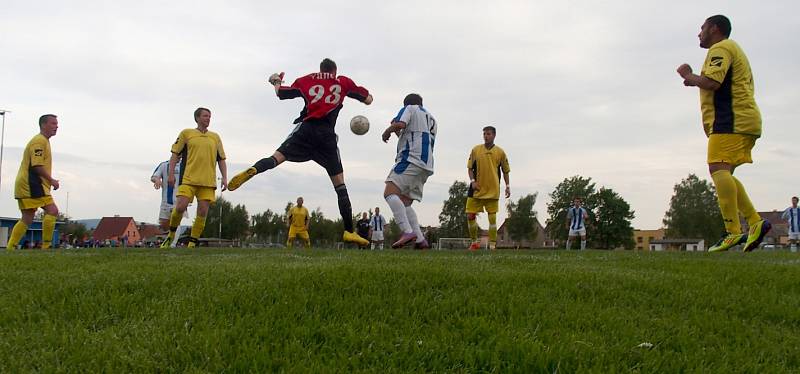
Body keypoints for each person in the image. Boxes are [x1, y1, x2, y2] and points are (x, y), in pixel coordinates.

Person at [227, 58, 373, 248]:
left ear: (320, 69)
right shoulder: (342, 82)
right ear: (334, 70)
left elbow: (281, 94)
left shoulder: (307, 80)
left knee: (275, 158)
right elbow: (369, 99)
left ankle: (254, 170)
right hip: (326, 137)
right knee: (340, 185)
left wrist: (276, 81)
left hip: (305, 131)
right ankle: (348, 231)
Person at [677, 15, 770, 252]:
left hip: (731, 120)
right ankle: (755, 222)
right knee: (724, 173)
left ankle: (733, 231)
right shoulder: (731, 49)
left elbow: (712, 82)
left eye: (702, 28)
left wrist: (688, 75)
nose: (699, 33)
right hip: (742, 120)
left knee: (717, 168)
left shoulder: (721, 48)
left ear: (714, 29)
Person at [161, 107, 227, 248]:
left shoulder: (215, 137)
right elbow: (174, 155)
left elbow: (221, 159)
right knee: (180, 207)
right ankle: (171, 235)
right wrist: (171, 174)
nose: (208, 118)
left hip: (208, 181)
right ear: (197, 118)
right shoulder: (186, 133)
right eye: (205, 116)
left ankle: (192, 242)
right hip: (188, 178)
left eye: (209, 116)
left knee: (202, 211)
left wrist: (225, 178)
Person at [381, 93, 437, 249]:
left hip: (410, 158)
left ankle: (407, 231)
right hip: (426, 164)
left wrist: (387, 130)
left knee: (389, 193)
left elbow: (400, 125)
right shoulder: (432, 119)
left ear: (406, 104)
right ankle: (420, 241)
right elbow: (409, 132)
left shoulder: (410, 108)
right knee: (405, 202)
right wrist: (397, 130)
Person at [6, 114, 60, 250]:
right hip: (31, 184)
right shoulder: (39, 141)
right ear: (43, 125)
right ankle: (46, 246)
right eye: (53, 123)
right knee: (52, 210)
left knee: (27, 217)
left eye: (56, 124)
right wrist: (52, 180)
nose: (57, 126)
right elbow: (37, 165)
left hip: (27, 183)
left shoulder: (43, 141)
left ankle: (10, 247)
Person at [465, 126, 510, 251]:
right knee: (470, 215)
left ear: (494, 135)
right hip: (477, 189)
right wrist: (472, 181)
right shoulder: (475, 150)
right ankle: (474, 243)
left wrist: (507, 186)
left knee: (492, 218)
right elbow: (469, 168)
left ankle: (492, 245)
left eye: (488, 134)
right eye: (484, 134)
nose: (486, 136)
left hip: (492, 189)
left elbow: (505, 171)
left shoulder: (500, 152)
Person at [151, 158, 185, 232]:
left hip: (180, 200)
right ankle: (170, 240)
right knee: (164, 225)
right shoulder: (164, 165)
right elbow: (154, 176)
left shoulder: (186, 165)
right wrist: (157, 180)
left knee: (175, 222)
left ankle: (172, 243)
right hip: (166, 200)